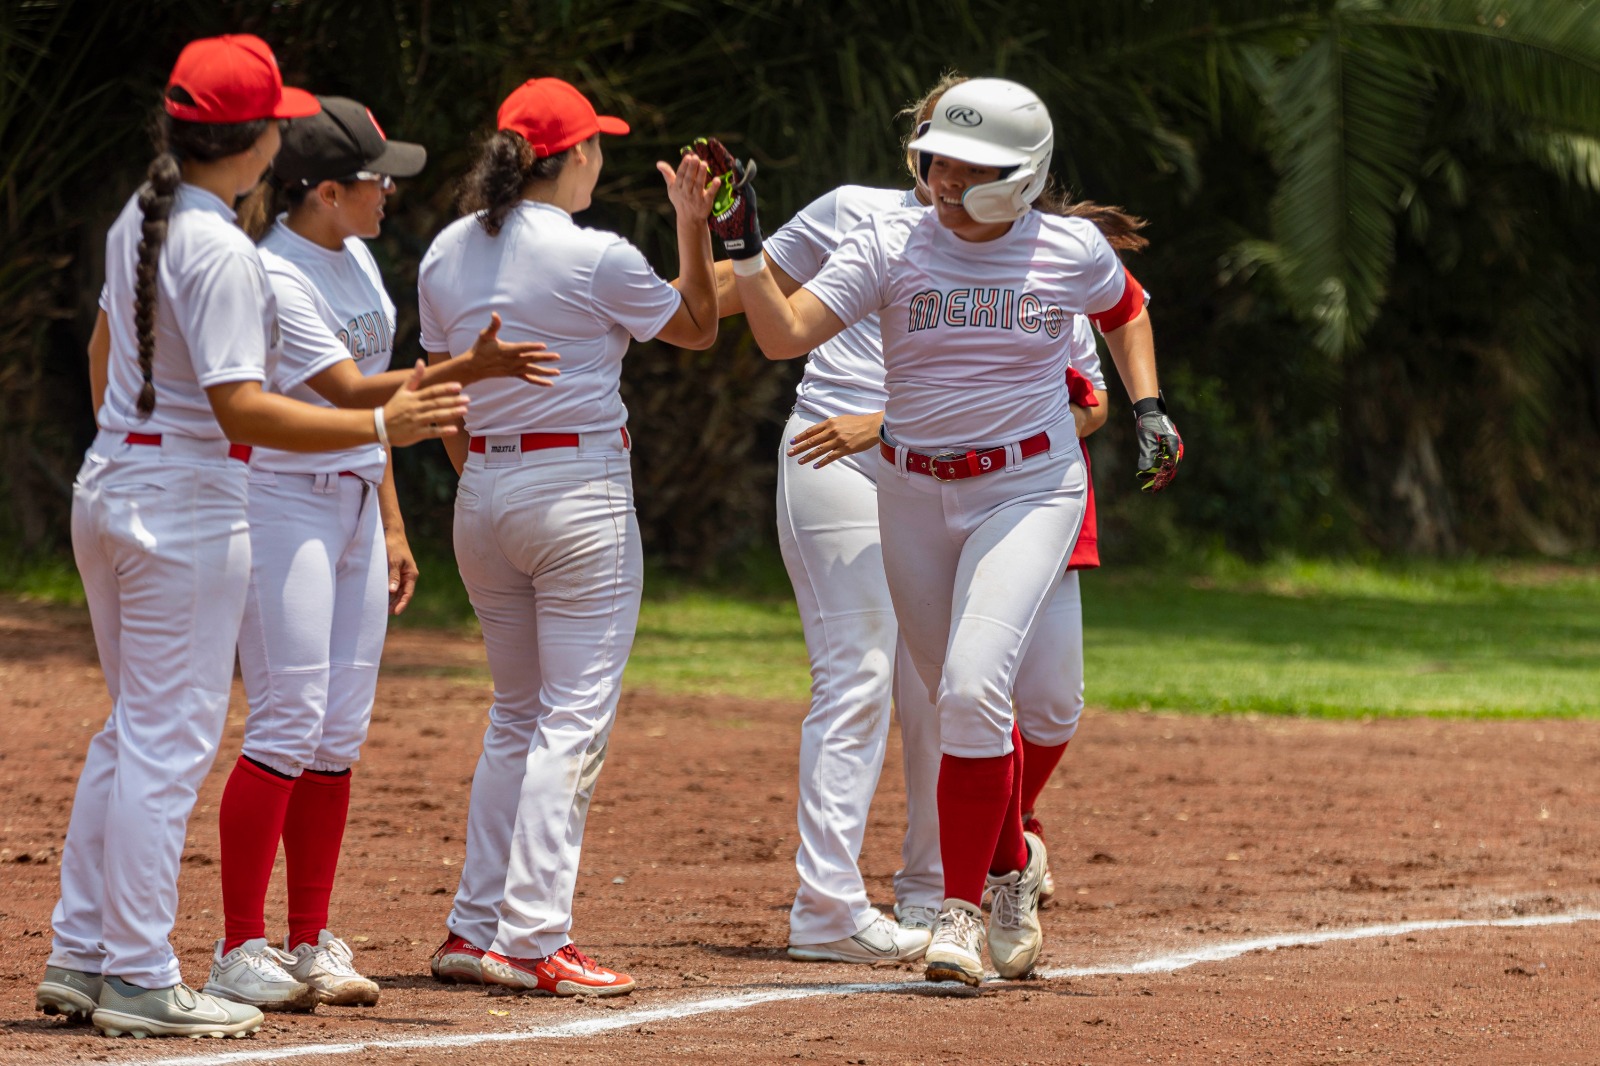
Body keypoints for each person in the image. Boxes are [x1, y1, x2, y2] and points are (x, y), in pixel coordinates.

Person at [35, 35, 469, 1039]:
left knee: (128, 731)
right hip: (184, 500)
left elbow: (112, 358)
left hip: (114, 479)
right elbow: (239, 408)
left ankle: (84, 950)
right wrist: (377, 428)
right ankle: (139, 971)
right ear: (260, 139)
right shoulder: (221, 246)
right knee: (168, 739)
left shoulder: (140, 220)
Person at [712, 76, 1181, 986]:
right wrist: (740, 247)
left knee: (969, 690)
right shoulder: (892, 237)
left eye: (971, 169)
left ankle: (958, 913)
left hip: (1028, 490)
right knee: (960, 695)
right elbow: (783, 334)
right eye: (938, 161)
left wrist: (1149, 406)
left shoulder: (1067, 248)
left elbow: (1126, 307)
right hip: (914, 493)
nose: (945, 180)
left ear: (1022, 175)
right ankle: (1013, 869)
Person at [204, 97, 559, 1013]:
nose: (388, 191)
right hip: (281, 506)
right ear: (325, 191)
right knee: (287, 721)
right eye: (374, 178)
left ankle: (309, 938)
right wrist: (470, 370)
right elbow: (356, 390)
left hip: (353, 503)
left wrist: (393, 521)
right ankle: (239, 945)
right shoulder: (277, 272)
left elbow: (374, 427)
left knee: (336, 733)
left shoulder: (357, 256)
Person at [420, 77, 719, 997]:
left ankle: (476, 928)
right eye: (597, 145)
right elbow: (701, 326)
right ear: (574, 155)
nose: (603, 157)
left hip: (486, 483)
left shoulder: (444, 249)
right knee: (572, 718)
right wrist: (694, 224)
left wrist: (484, 475)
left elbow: (442, 388)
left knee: (516, 713)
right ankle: (535, 934)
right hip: (577, 486)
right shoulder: (596, 253)